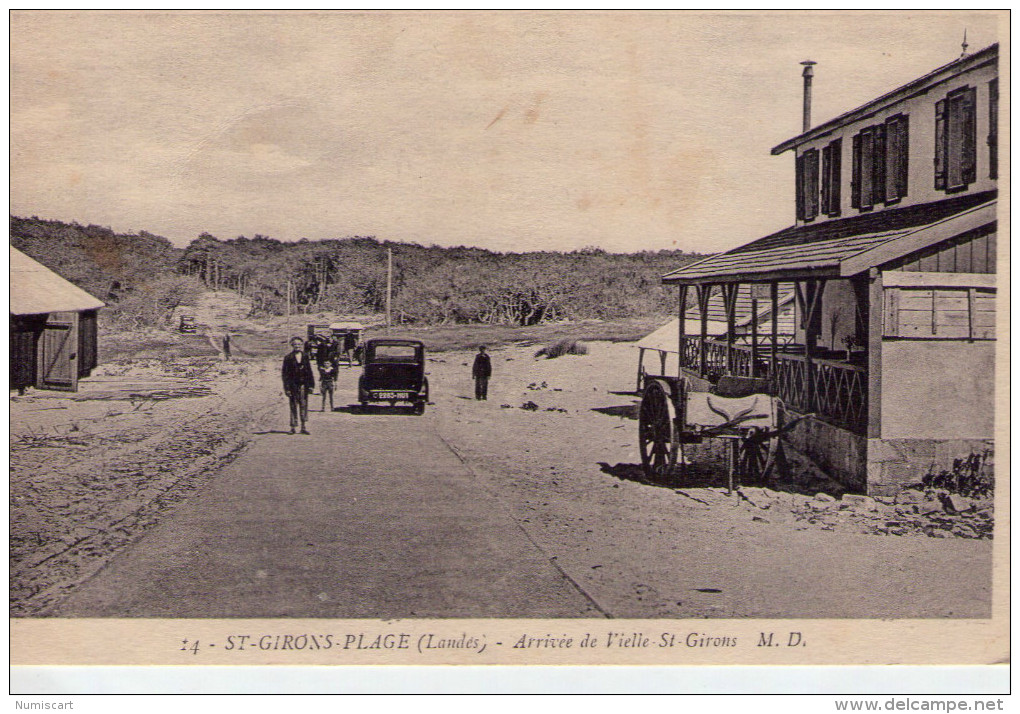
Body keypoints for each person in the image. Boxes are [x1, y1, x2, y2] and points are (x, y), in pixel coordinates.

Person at [282, 337, 315, 434]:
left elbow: (309, 371)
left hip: (303, 385)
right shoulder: (288, 358)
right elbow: (285, 374)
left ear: (302, 345)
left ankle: (303, 427)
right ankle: (293, 427)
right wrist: (287, 388)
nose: (297, 346)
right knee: (293, 405)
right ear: (292, 345)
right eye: (295, 344)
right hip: (293, 385)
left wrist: (311, 385)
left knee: (304, 405)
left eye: (299, 344)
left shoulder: (305, 356)